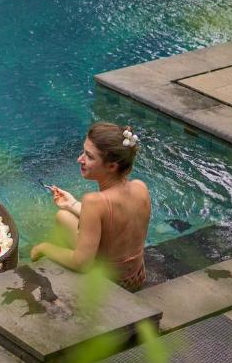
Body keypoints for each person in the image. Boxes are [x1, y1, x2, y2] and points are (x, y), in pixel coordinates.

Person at [30, 122, 151, 291]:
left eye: (89, 156)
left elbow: (81, 263)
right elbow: (114, 222)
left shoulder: (94, 201)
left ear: (112, 166)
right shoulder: (140, 187)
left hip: (110, 285)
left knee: (60, 236)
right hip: (136, 277)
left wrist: (44, 248)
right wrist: (71, 204)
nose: (80, 159)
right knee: (64, 215)